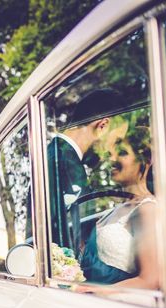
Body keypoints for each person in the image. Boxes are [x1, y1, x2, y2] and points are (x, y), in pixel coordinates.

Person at [80, 126, 159, 289]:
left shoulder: (147, 209)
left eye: (122, 153)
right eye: (111, 154)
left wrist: (91, 292)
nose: (112, 159)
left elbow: (150, 280)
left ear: (145, 160)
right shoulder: (115, 210)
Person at [48, 88, 123, 251]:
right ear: (103, 126)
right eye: (116, 141)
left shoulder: (56, 154)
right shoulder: (63, 162)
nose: (113, 152)